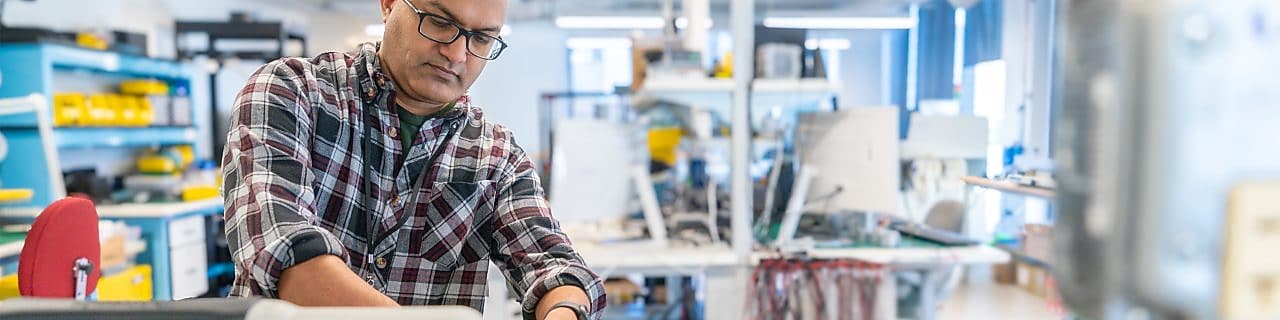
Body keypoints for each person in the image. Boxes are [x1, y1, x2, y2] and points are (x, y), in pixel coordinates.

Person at [219, 0, 604, 319]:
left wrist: (562, 309)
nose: (456, 53)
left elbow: (553, 265)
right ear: (388, 5)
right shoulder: (292, 93)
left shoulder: (496, 157)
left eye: (481, 38)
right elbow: (290, 259)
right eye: (438, 22)